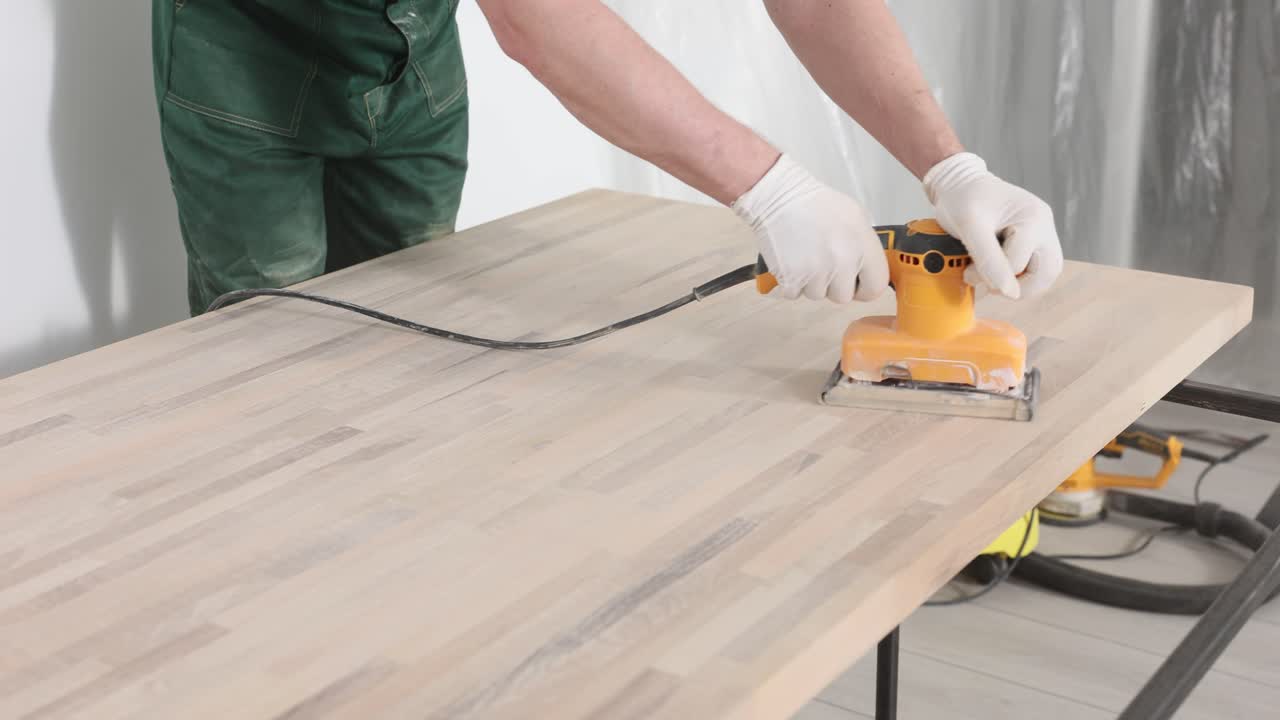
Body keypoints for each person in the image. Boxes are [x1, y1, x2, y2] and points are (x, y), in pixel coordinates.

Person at [152, 0, 1062, 316]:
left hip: (408, 36)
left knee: (411, 311)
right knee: (272, 339)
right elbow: (538, 22)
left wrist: (951, 168)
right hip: (248, 41)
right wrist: (770, 188)